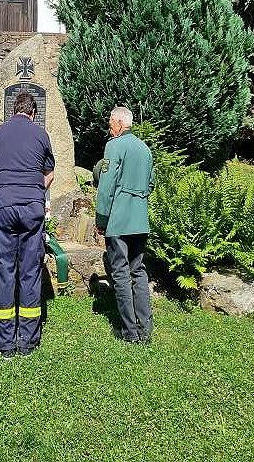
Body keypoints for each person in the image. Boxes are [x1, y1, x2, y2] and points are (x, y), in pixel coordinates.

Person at [0, 92, 55, 358]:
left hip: (3, 207)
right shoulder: (41, 135)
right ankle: (27, 340)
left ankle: (4, 343)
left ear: (13, 110)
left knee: (4, 270)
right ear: (33, 113)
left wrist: (4, 190)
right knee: (30, 271)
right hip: (31, 209)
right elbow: (49, 173)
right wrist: (34, 190)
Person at [95, 106, 154, 343]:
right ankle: (145, 328)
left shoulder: (114, 146)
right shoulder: (145, 149)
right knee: (138, 271)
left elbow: (106, 187)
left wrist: (101, 219)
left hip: (118, 221)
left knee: (119, 272)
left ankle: (129, 331)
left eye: (110, 122)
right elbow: (151, 184)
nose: (109, 126)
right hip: (140, 221)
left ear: (119, 123)